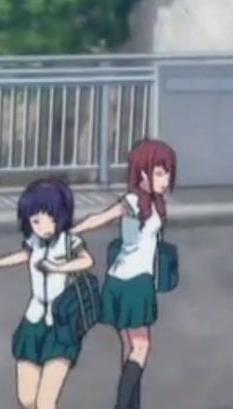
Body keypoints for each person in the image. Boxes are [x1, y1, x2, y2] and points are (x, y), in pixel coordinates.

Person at [0, 178, 96, 409]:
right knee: (27, 399)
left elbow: (86, 261)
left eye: (50, 218)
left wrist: (58, 267)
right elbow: (22, 256)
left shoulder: (70, 241)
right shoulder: (33, 242)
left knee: (45, 403)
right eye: (35, 221)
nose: (42, 227)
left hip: (61, 324)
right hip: (33, 321)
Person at [70, 139, 178, 409]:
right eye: (159, 173)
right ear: (142, 172)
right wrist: (70, 232)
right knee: (141, 348)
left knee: (130, 349)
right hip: (135, 284)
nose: (166, 180)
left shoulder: (151, 202)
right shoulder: (133, 201)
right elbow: (100, 218)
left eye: (167, 173)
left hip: (119, 280)